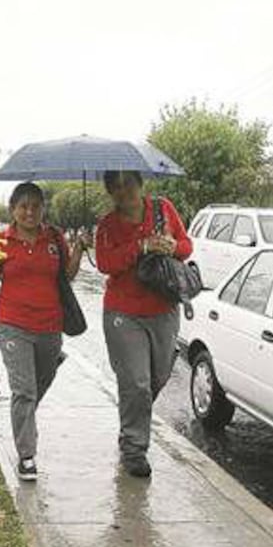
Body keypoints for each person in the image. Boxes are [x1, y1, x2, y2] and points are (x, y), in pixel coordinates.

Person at [0, 182, 84, 481]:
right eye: (23, 206)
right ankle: (27, 455)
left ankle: (24, 415)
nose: (30, 212)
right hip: (13, 326)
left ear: (43, 208)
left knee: (34, 389)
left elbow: (67, 275)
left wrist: (79, 249)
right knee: (25, 391)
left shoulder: (54, 237)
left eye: (36, 205)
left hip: (50, 327)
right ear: (13, 210)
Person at [95, 170, 192, 478]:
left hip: (164, 307)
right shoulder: (107, 225)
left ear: (140, 183)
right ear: (110, 192)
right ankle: (134, 449)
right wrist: (141, 248)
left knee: (156, 379)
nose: (124, 191)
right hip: (123, 312)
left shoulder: (163, 208)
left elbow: (187, 246)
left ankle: (131, 423)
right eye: (116, 186)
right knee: (136, 382)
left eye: (129, 183)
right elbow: (105, 263)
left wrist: (170, 247)